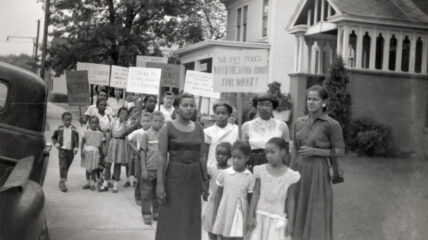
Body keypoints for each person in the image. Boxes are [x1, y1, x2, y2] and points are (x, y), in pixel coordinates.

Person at [291, 85, 345, 240]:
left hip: (318, 171)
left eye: (315, 99)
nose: (311, 102)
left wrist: (316, 151)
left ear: (324, 102)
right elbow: (295, 149)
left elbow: (340, 151)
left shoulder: (331, 124)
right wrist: (290, 173)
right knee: (297, 205)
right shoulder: (299, 122)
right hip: (298, 169)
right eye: (309, 98)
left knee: (316, 208)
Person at [156, 92, 208, 240]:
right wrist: (160, 184)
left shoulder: (199, 128)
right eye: (185, 105)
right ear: (177, 108)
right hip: (174, 176)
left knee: (191, 214)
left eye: (192, 105)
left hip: (194, 176)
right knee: (172, 213)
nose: (189, 108)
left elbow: (202, 155)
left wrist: (205, 180)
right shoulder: (167, 128)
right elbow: (161, 157)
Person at [246, 138, 301, 240]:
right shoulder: (261, 170)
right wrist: (251, 215)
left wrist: (290, 222)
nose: (269, 155)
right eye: (267, 152)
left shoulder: (291, 175)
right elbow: (256, 193)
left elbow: (291, 200)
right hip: (259, 215)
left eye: (272, 152)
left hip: (277, 217)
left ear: (283, 152)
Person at [212, 141, 255, 240]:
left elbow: (250, 198)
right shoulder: (225, 174)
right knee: (225, 236)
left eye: (239, 158)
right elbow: (218, 195)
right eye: (234, 157)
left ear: (247, 158)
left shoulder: (249, 176)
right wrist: (215, 214)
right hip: (226, 211)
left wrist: (251, 216)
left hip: (240, 214)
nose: (235, 160)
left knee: (239, 236)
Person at [242, 94, 290, 172]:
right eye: (260, 104)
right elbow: (243, 151)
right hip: (255, 164)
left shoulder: (282, 126)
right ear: (256, 107)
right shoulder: (247, 126)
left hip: (276, 164)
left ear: (273, 107)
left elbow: (286, 152)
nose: (264, 108)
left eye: (268, 105)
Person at [140, 111, 165, 225]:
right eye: (155, 121)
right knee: (146, 193)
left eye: (160, 121)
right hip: (149, 169)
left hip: (161, 170)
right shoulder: (146, 135)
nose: (158, 123)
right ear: (151, 121)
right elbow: (142, 153)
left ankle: (156, 212)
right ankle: (146, 213)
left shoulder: (164, 135)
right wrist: (143, 169)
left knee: (158, 193)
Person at [203, 142, 231, 240]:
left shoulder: (230, 171)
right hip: (213, 201)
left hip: (225, 204)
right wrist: (205, 191)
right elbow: (206, 179)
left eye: (224, 154)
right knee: (211, 227)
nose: (220, 156)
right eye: (218, 154)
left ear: (230, 156)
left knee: (223, 230)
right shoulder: (211, 168)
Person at [100, 107, 133, 193]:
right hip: (112, 143)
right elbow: (109, 135)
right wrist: (107, 146)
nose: (123, 115)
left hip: (121, 144)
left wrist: (124, 123)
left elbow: (126, 133)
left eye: (125, 114)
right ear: (118, 114)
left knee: (117, 165)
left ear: (127, 116)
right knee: (107, 164)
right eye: (121, 113)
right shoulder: (113, 122)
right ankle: (105, 183)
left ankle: (115, 184)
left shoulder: (128, 124)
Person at [204, 102, 239, 168]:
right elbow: (204, 154)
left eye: (223, 113)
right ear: (214, 115)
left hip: (230, 167)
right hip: (212, 167)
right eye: (218, 113)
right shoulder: (207, 131)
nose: (220, 116)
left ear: (229, 115)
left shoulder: (236, 131)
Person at [51, 112, 79, 192]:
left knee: (67, 166)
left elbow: (77, 140)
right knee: (63, 165)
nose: (68, 122)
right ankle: (63, 182)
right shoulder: (59, 128)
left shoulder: (74, 129)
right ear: (62, 120)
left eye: (70, 120)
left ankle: (61, 180)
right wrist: (56, 144)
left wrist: (76, 148)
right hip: (62, 150)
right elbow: (53, 137)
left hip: (71, 151)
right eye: (66, 120)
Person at [128, 112, 152, 204]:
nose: (146, 123)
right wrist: (135, 150)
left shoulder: (153, 132)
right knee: (140, 177)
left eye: (148, 121)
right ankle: (138, 196)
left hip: (150, 157)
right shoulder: (138, 132)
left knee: (148, 177)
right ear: (141, 122)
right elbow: (128, 139)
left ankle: (146, 196)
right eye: (144, 121)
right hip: (139, 156)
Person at [80, 116, 106, 191]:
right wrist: (81, 152)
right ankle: (87, 182)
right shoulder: (86, 132)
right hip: (87, 152)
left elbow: (101, 145)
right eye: (92, 123)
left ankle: (92, 183)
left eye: (96, 123)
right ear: (89, 123)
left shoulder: (100, 134)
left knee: (94, 169)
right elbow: (82, 143)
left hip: (96, 153)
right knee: (87, 169)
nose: (94, 124)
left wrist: (103, 154)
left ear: (98, 124)